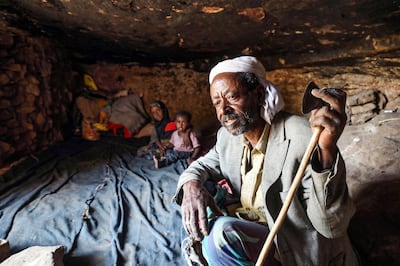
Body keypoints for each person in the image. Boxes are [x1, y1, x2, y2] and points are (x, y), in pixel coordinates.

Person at [173, 56, 359, 265]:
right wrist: (190, 185)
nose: (223, 110)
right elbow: (202, 165)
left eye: (232, 97)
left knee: (221, 235)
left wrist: (326, 149)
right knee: (194, 213)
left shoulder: (302, 137)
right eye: (217, 102)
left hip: (294, 244)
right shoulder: (228, 138)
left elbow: (330, 225)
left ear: (259, 94)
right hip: (256, 225)